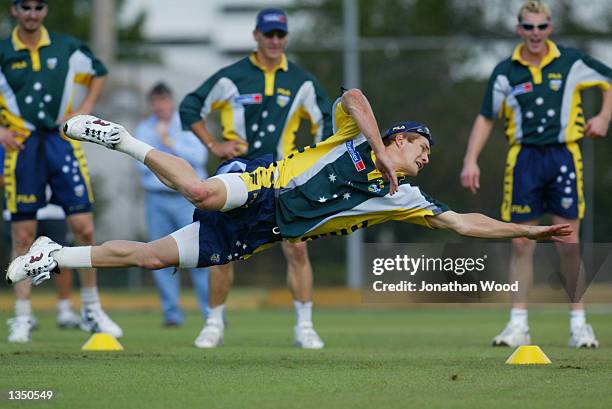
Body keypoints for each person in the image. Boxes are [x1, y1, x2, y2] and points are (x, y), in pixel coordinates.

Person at [7, 87, 573, 330]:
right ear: (398, 139)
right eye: (421, 147)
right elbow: (353, 97)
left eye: (428, 154)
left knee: (153, 259)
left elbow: (463, 223)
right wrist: (376, 147)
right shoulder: (359, 136)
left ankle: (54, 255)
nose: (426, 158)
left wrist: (528, 230)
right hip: (264, 186)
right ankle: (121, 139)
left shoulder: (406, 198)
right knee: (202, 192)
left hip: (267, 231)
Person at [460, 0, 611, 348]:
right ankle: (517, 324)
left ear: (550, 28)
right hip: (523, 160)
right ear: (518, 29)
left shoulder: (571, 61)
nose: (535, 34)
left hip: (563, 157)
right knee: (520, 242)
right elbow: (486, 117)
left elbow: (608, 81)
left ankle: (579, 324)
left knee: (569, 243)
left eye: (541, 26)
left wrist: (604, 116)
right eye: (528, 27)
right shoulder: (505, 71)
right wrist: (471, 159)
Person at [179, 8, 332, 348]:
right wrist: (213, 143)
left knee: (298, 248)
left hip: (283, 174)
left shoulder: (301, 81)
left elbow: (328, 122)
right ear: (256, 36)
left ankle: (305, 326)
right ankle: (214, 323)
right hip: (238, 172)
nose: (275, 41)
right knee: (222, 248)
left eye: (280, 35)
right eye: (269, 34)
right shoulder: (232, 76)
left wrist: (315, 162)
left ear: (286, 37)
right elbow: (190, 107)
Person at [0, 0, 121, 343]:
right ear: (14, 11)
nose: (32, 13)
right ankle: (22, 316)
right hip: (21, 148)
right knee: (22, 236)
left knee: (84, 227)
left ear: (45, 11)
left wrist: (84, 109)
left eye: (39, 7)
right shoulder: (4, 50)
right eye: (26, 7)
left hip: (62, 143)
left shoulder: (67, 47)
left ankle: (91, 308)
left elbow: (99, 71)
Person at [135, 82, 209, 327]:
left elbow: (200, 158)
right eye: (155, 102)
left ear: (171, 101)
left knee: (200, 254)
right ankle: (171, 314)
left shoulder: (186, 126)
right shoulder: (144, 129)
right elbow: (140, 167)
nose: (159, 106)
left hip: (187, 198)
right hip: (157, 199)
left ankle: (211, 313)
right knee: (160, 257)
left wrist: (169, 144)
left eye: (163, 101)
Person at [2, 147, 80, 337]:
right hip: (22, 204)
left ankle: (64, 309)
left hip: (53, 208)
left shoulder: (52, 140)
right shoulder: (11, 139)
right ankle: (23, 313)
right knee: (21, 255)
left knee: (62, 256)